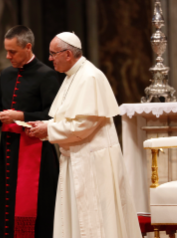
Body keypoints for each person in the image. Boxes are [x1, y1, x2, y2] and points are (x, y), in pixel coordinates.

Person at [28, 32, 141, 238]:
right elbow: (68, 117)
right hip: (76, 158)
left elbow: (84, 124)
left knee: (96, 223)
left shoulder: (90, 77)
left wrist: (49, 130)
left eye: (53, 54)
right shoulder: (73, 76)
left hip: (92, 162)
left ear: (68, 54)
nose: (50, 58)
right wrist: (45, 125)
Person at [0, 25, 60, 238]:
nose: (8, 56)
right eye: (6, 51)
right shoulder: (6, 74)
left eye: (13, 52)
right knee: (7, 204)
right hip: (9, 150)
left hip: (36, 152)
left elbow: (53, 116)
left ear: (28, 47)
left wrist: (20, 116)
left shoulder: (46, 75)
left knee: (38, 207)